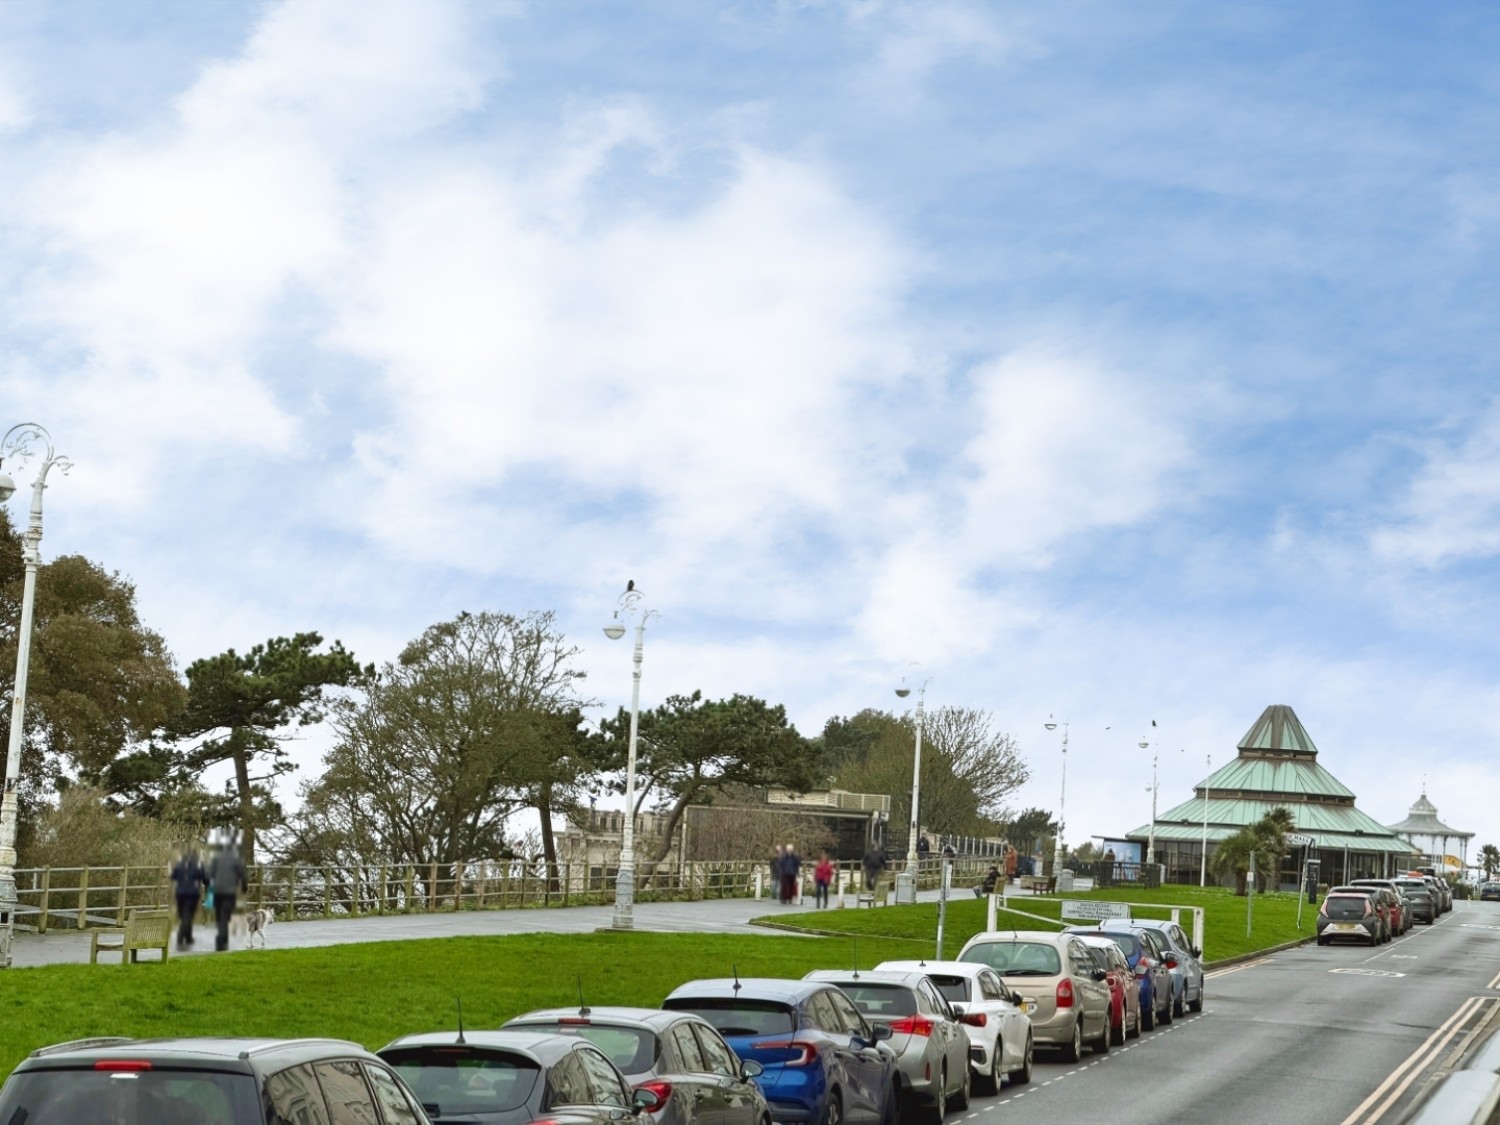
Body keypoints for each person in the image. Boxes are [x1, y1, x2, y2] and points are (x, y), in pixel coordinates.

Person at [207, 833, 248, 952]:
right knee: (226, 916)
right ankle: (222, 940)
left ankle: (221, 940)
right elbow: (243, 876)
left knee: (220, 916)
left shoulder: (216, 859)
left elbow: (209, 874)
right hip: (229, 892)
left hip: (217, 891)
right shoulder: (236, 860)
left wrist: (209, 884)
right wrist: (244, 887)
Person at [169, 846, 207, 949]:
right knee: (188, 915)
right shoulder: (198, 865)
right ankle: (181, 936)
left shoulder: (180, 863)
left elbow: (173, 876)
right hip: (192, 893)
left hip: (180, 893)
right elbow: (205, 878)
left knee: (184, 915)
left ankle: (188, 936)